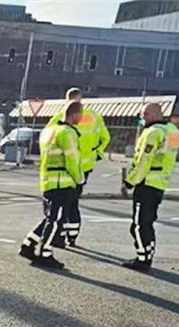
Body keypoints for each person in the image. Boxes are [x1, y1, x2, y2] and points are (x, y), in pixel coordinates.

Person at [18, 100, 84, 270]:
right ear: (75, 114)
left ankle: (28, 244)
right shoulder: (68, 133)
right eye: (81, 115)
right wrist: (79, 180)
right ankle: (44, 253)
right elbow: (72, 160)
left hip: (48, 181)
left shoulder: (50, 131)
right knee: (56, 220)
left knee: (49, 217)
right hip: (63, 182)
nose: (81, 118)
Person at [46, 87, 111, 247]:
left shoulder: (61, 116)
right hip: (86, 166)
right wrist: (97, 154)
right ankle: (72, 235)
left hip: (67, 167)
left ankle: (59, 236)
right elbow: (105, 138)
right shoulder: (94, 117)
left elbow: (48, 136)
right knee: (73, 200)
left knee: (63, 202)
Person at [123, 102, 179, 270]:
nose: (142, 118)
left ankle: (142, 259)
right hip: (160, 183)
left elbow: (143, 160)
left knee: (139, 224)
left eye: (145, 114)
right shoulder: (173, 131)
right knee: (148, 222)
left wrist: (130, 181)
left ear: (155, 115)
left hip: (146, 183)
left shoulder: (152, 133)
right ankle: (148, 254)